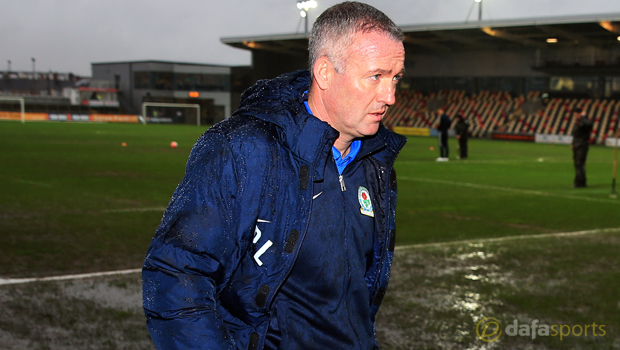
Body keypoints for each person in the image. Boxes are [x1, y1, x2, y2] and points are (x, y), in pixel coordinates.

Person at [141, 2, 407, 350]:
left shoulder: (375, 161)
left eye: (395, 78)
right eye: (375, 76)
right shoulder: (244, 148)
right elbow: (177, 273)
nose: (390, 96)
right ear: (325, 73)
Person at [571, 107, 593, 188]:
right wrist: (573, 143)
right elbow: (575, 134)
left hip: (582, 145)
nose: (576, 116)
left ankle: (580, 182)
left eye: (577, 115)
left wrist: (583, 117)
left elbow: (589, 124)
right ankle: (580, 181)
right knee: (577, 164)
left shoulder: (585, 122)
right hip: (577, 145)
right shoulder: (578, 122)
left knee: (579, 164)